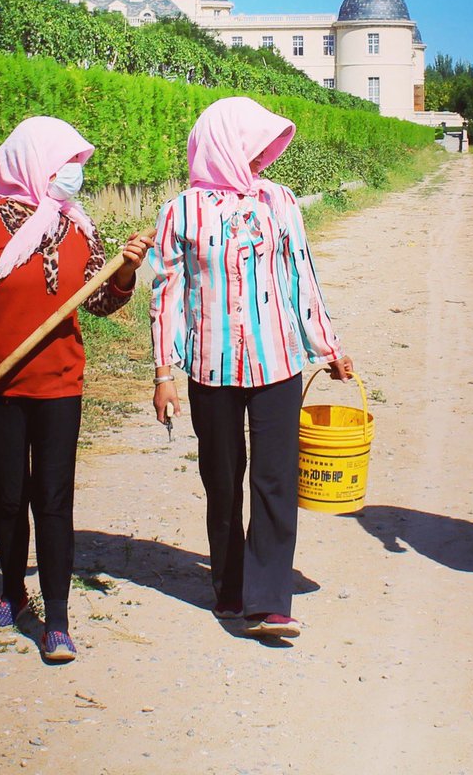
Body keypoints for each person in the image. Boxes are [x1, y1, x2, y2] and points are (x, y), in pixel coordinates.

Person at [0, 116, 150, 662]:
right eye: (65, 165)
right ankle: (11, 592)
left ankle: (57, 618)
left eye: (77, 166)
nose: (74, 175)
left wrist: (124, 272)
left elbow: (100, 301)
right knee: (10, 498)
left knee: (53, 499)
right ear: (33, 164)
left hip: (60, 384)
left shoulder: (79, 228)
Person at [150, 97, 353, 639]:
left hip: (279, 360)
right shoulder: (181, 212)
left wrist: (328, 347)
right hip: (210, 368)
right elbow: (166, 295)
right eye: (252, 146)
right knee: (222, 478)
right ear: (224, 145)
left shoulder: (282, 202)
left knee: (274, 478)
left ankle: (269, 599)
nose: (262, 157)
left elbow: (302, 278)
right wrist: (163, 372)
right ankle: (230, 587)